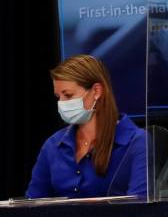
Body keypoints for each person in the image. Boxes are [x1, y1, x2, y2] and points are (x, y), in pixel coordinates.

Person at [27, 54, 147, 199]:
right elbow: (31, 206)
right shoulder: (52, 145)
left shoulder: (137, 142)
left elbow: (140, 210)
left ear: (96, 91)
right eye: (58, 97)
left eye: (68, 95)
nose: (61, 103)